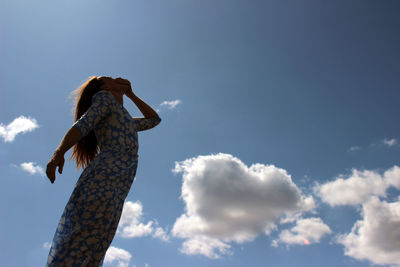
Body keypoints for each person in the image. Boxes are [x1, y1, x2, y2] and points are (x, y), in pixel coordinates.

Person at [45, 76, 161, 266]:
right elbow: (83, 124)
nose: (117, 79)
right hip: (106, 174)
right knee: (87, 232)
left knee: (99, 237)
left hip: (120, 180)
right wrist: (59, 152)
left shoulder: (123, 117)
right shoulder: (104, 98)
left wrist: (131, 94)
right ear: (104, 87)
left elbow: (154, 119)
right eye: (111, 79)